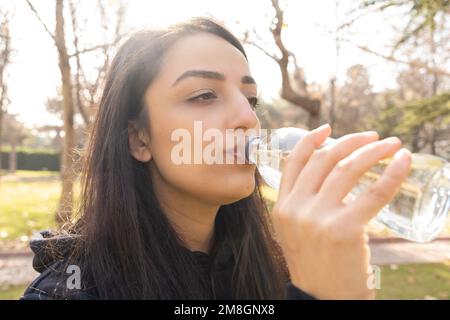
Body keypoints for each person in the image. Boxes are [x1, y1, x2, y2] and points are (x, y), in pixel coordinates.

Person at [21, 17, 411, 300]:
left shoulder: (277, 268)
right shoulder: (68, 293)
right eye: (204, 95)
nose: (247, 117)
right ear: (139, 139)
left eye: (251, 98)